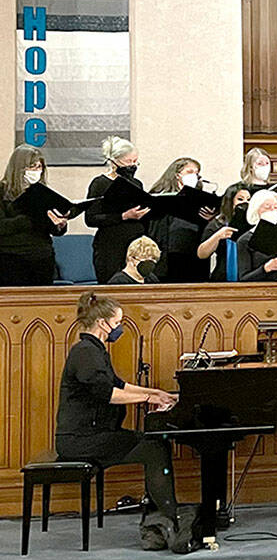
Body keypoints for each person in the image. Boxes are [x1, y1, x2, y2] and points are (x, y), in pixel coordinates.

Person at [55, 292, 180, 531]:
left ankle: (160, 515)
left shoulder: (95, 349)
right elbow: (108, 394)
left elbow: (118, 384)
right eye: (118, 322)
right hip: (80, 441)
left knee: (155, 444)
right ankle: (167, 517)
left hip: (94, 436)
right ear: (103, 323)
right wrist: (147, 397)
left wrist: (156, 393)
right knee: (154, 448)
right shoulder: (85, 352)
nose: (119, 328)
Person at [0, 145, 68, 285]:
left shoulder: (43, 193)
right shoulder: (2, 191)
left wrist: (60, 225)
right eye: (32, 167)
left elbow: (53, 230)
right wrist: (29, 219)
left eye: (39, 167)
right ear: (19, 167)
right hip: (11, 259)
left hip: (42, 258)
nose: (36, 171)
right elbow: (2, 226)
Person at [86, 136, 150, 284]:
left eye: (135, 161)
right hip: (110, 247)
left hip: (134, 245)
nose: (133, 165)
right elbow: (91, 218)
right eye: (129, 162)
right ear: (115, 161)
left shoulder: (137, 184)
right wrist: (123, 216)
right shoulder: (100, 183)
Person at [147, 157, 216, 283]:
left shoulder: (200, 196)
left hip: (194, 251)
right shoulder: (160, 195)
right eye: (190, 172)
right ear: (177, 175)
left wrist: (210, 217)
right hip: (168, 252)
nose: (194, 176)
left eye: (197, 173)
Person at [235, 190, 277, 281]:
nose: (272, 210)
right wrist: (266, 268)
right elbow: (244, 279)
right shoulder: (245, 240)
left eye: (275, 207)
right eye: (267, 206)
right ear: (256, 209)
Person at [198, 184, 252, 281]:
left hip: (249, 277)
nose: (245, 203)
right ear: (230, 202)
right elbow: (202, 254)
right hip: (222, 277)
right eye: (240, 199)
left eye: (248, 199)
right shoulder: (217, 224)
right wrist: (218, 236)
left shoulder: (254, 223)